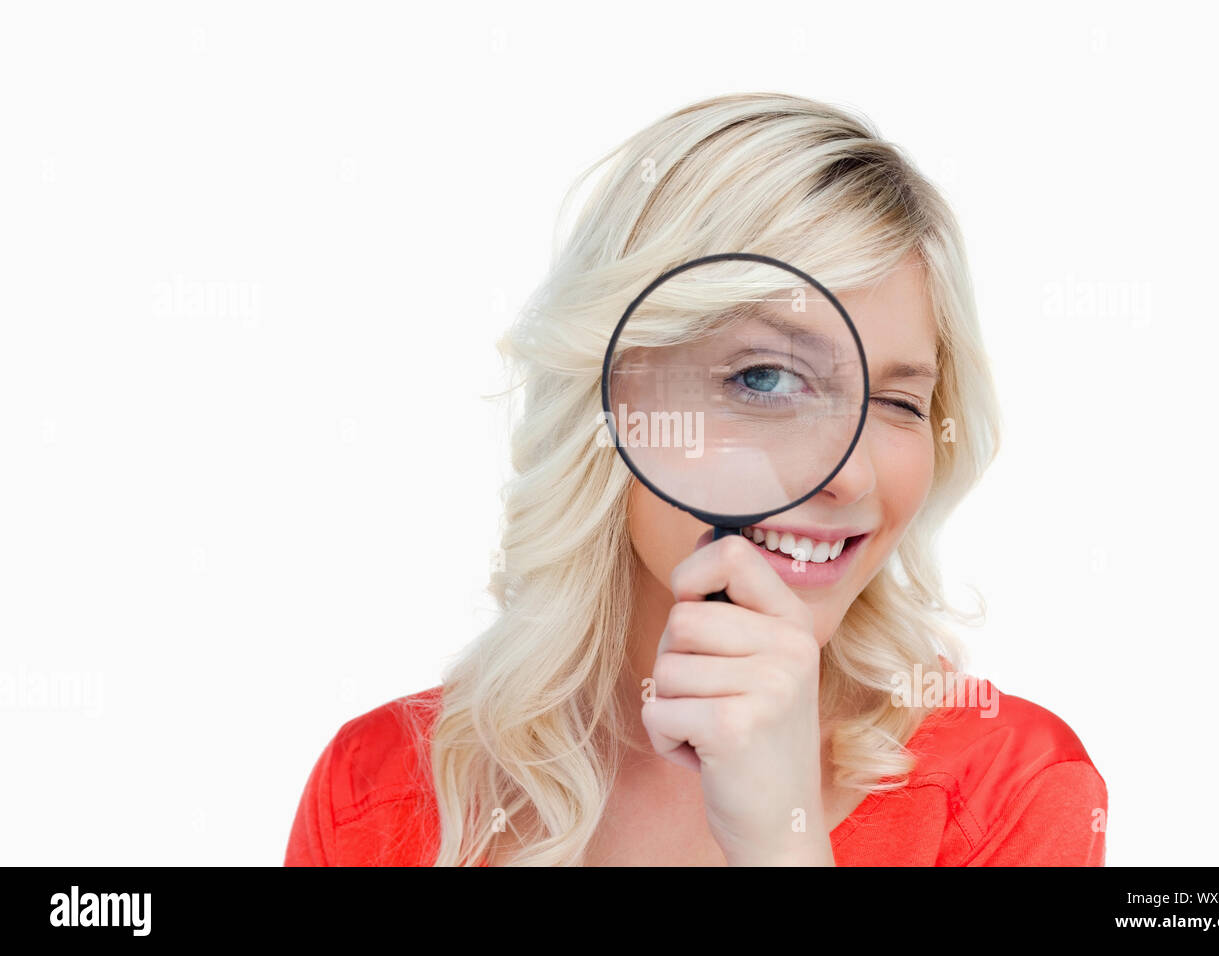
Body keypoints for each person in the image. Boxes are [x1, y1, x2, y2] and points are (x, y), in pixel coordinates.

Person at [284, 92, 1107, 867]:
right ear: (610, 405)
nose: (849, 473)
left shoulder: (1010, 794)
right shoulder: (378, 789)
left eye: (898, 400)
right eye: (766, 379)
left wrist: (780, 839)